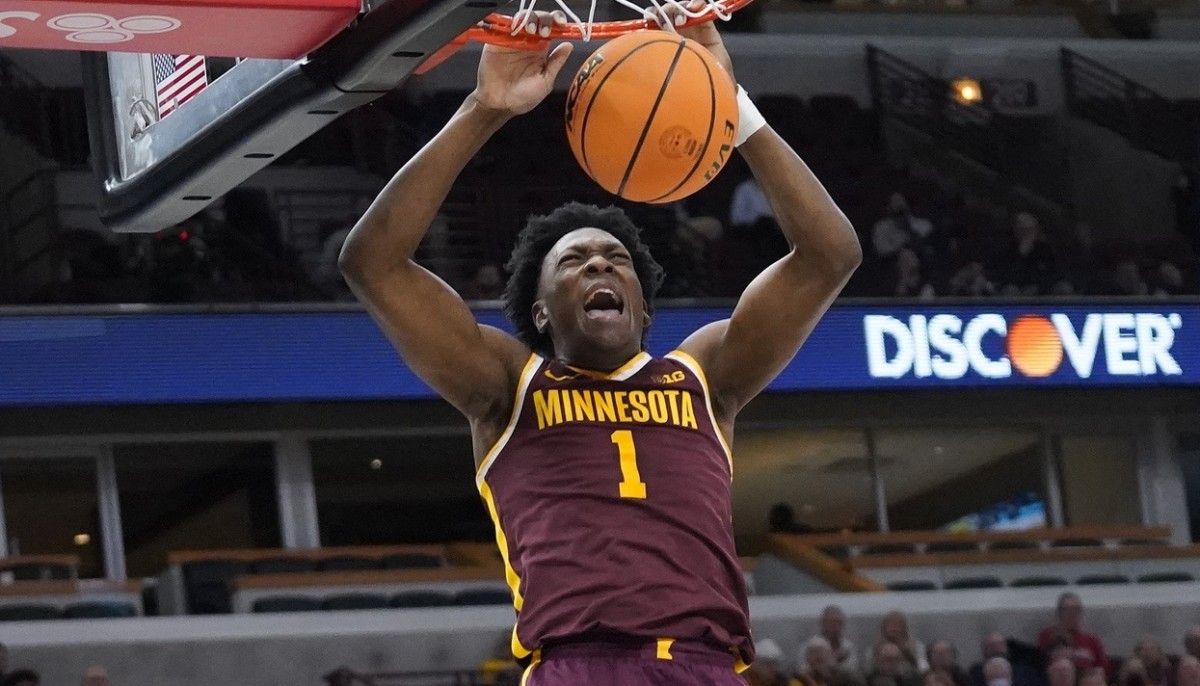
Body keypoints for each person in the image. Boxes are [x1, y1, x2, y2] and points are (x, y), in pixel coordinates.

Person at [338, 6, 860, 686]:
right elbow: (372, 264)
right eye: (573, 262)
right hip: (577, 666)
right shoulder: (506, 386)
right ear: (541, 310)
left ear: (643, 306)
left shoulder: (705, 376)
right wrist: (483, 109)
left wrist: (733, 109)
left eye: (616, 259)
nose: (598, 265)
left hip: (707, 667)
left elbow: (829, 256)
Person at [1038, 593, 1109, 674]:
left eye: (1076, 610)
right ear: (1059, 614)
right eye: (1068, 611)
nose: (1072, 614)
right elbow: (1040, 667)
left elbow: (1103, 669)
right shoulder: (1047, 637)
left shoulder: (1092, 640)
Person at [968, 633, 1041, 686]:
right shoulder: (976, 673)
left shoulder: (1025, 672)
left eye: (1000, 644)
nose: (996, 648)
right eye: (992, 645)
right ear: (984, 650)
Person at [807, 605, 859, 674]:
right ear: (822, 624)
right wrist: (835, 660)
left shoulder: (849, 647)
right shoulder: (809, 647)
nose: (835, 626)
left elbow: (852, 671)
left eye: (838, 622)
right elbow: (805, 672)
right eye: (830, 622)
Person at [799, 637, 864, 686]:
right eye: (813, 652)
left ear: (831, 655)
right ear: (807, 658)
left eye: (821, 651)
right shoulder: (800, 679)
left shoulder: (848, 678)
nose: (818, 655)